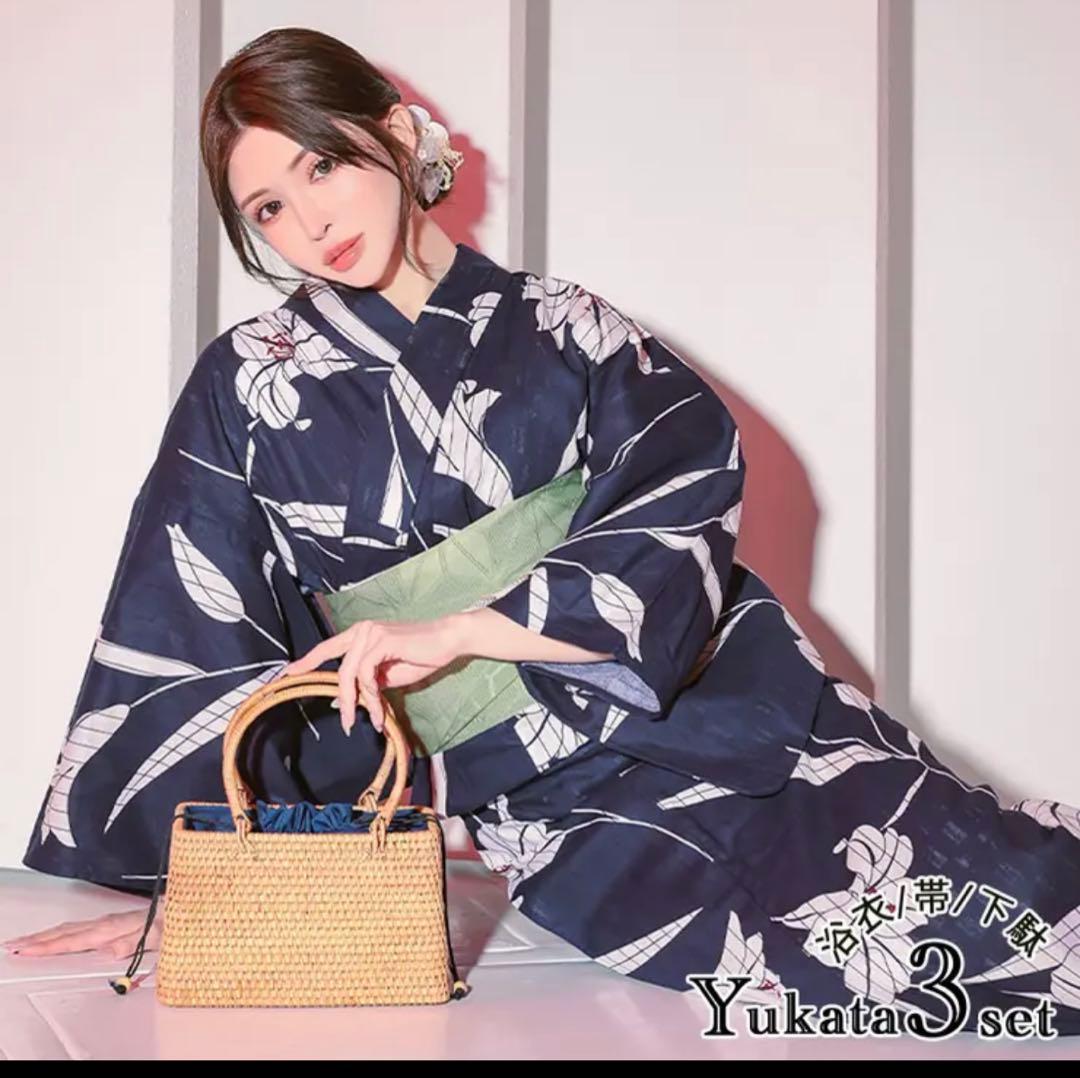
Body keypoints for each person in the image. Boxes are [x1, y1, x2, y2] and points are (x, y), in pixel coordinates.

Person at [6, 26, 1080, 1036]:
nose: (311, 222)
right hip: (552, 804)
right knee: (893, 967)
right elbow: (185, 624)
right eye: (270, 208)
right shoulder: (246, 384)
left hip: (725, 704)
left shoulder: (562, 322)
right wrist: (214, 886)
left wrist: (468, 627)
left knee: (1020, 884)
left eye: (322, 165)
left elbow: (687, 462)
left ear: (393, 132)